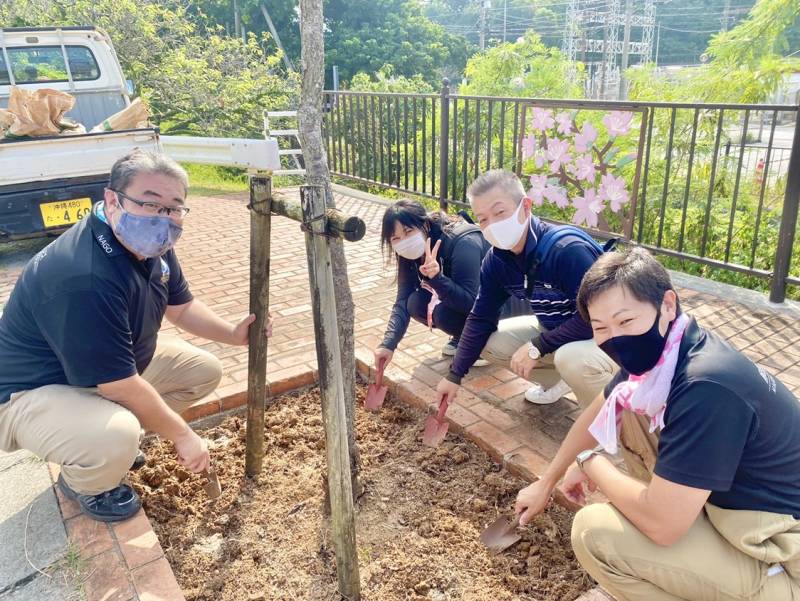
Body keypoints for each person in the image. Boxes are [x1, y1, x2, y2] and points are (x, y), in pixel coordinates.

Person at [0, 151, 272, 522]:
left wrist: (232, 333)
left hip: (97, 373)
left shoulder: (151, 245)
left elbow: (181, 307)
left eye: (174, 208)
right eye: (149, 203)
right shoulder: (84, 276)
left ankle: (107, 440)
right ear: (113, 199)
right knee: (118, 436)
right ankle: (87, 482)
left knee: (202, 370)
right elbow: (119, 385)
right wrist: (183, 436)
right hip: (31, 392)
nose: (164, 217)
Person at [515, 247, 800, 601]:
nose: (614, 338)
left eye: (626, 321)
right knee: (628, 412)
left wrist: (590, 463)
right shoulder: (670, 352)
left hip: (784, 556)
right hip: (742, 515)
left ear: (667, 304)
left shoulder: (705, 388)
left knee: (594, 533)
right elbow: (600, 412)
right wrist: (547, 481)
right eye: (601, 328)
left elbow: (662, 526)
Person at [435, 169, 616, 406]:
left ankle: (616, 426)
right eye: (483, 219)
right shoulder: (496, 261)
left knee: (573, 359)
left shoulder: (567, 250)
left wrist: (538, 346)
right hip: (554, 328)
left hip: (609, 337)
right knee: (490, 344)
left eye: (500, 212)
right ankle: (557, 381)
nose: (492, 224)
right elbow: (481, 317)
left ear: (526, 207)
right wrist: (455, 375)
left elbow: (596, 319)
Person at [374, 199, 491, 369]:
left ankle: (483, 343)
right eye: (395, 238)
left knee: (443, 313)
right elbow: (403, 298)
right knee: (415, 302)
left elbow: (471, 302)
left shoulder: (463, 242)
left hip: (500, 306)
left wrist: (437, 278)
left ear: (425, 225)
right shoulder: (410, 251)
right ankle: (464, 336)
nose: (404, 241)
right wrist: (388, 344)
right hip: (468, 299)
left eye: (408, 231)